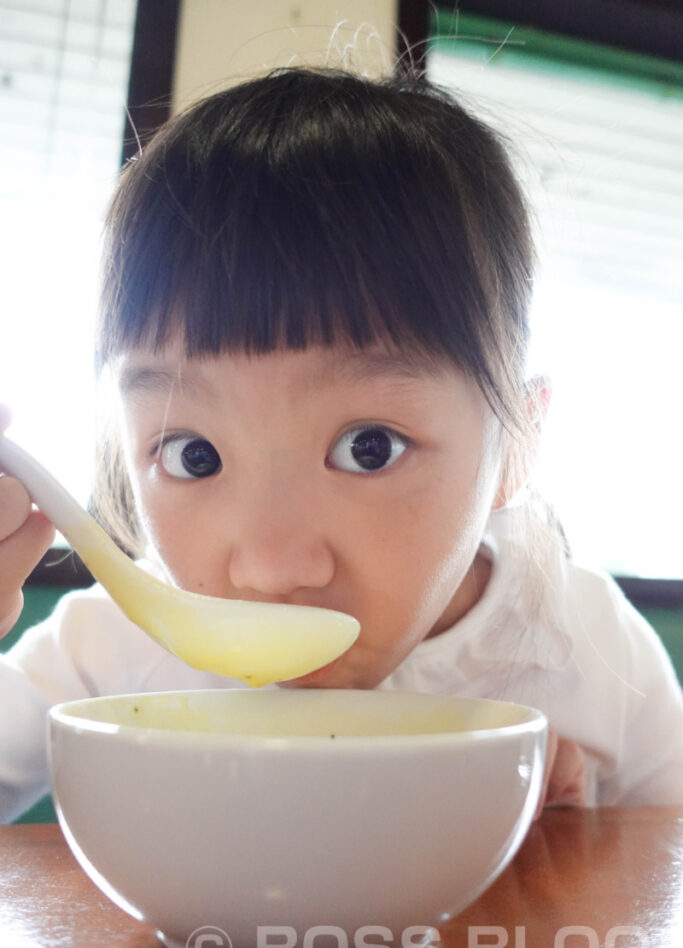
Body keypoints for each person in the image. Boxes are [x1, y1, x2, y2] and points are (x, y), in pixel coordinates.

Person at [0, 67, 681, 825]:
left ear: (515, 444)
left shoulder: (585, 651)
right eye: (194, 454)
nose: (271, 566)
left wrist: (576, 867)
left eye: (369, 447)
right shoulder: (111, 650)